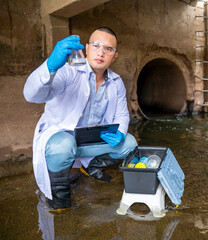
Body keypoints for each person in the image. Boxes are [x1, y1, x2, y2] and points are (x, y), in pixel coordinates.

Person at [24, 27, 137, 211]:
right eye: (96, 45)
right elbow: (31, 95)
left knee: (130, 143)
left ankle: (91, 166)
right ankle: (59, 199)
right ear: (86, 48)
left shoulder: (116, 82)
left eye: (108, 49)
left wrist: (121, 133)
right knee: (64, 145)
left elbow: (122, 114)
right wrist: (50, 66)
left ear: (114, 56)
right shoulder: (69, 72)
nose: (101, 52)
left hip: (89, 141)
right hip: (60, 141)